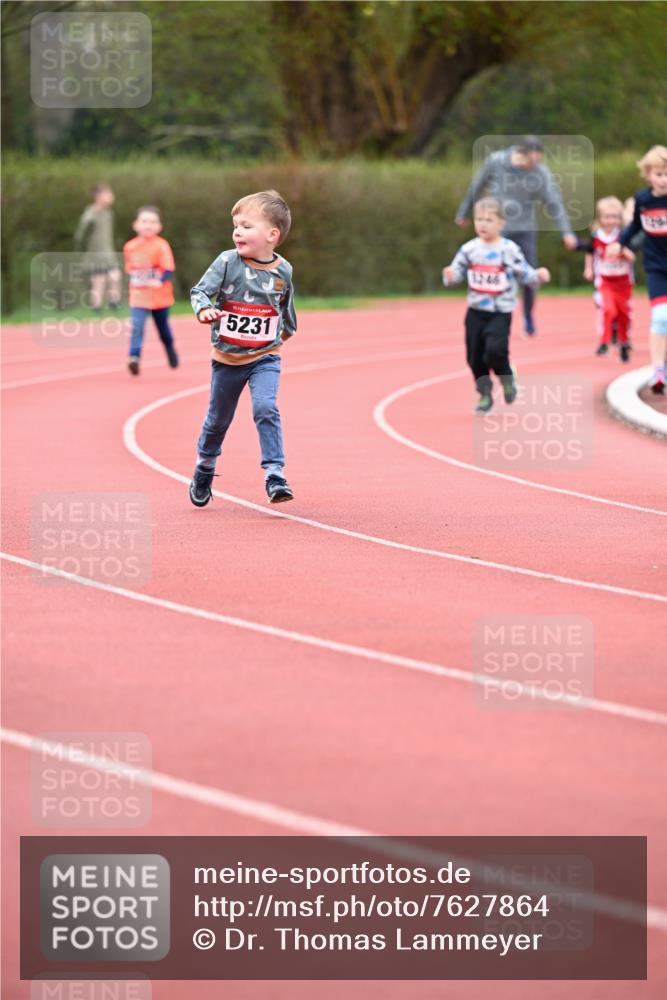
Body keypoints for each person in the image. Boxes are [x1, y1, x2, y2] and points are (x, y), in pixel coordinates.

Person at [188, 189, 297, 507]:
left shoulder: (283, 271)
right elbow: (199, 291)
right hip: (227, 358)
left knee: (265, 408)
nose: (237, 231)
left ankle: (275, 474)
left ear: (272, 235)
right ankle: (205, 467)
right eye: (235, 225)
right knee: (218, 419)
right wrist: (204, 310)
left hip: (265, 356)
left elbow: (286, 310)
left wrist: (282, 336)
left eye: (247, 226)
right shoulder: (226, 262)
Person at [455, 136, 576, 337]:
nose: (535, 165)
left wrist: (567, 233)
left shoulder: (539, 173)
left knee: (529, 275)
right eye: (532, 161)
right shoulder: (496, 161)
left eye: (538, 161)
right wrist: (464, 212)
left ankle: (528, 315)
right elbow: (477, 186)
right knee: (495, 271)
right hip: (498, 228)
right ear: (520, 154)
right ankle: (494, 315)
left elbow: (554, 203)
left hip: (525, 229)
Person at [443, 197, 550, 413]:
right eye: (479, 219)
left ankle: (507, 378)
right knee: (474, 357)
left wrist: (538, 276)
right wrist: (450, 276)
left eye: (489, 220)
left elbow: (524, 272)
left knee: (495, 351)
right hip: (475, 311)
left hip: (500, 312)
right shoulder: (469, 249)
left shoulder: (509, 249)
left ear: (501, 223)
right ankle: (484, 394)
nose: (482, 224)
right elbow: (456, 273)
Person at [608, 145, 667, 393]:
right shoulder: (643, 200)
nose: (664, 179)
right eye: (659, 174)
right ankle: (658, 370)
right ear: (648, 175)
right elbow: (634, 228)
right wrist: (619, 243)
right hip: (656, 268)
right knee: (661, 317)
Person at [575, 196, 634, 361]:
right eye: (607, 216)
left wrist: (623, 251)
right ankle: (604, 342)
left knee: (623, 314)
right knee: (608, 310)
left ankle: (623, 342)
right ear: (600, 218)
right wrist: (588, 269)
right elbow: (590, 252)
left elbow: (632, 256)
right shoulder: (596, 237)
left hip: (623, 282)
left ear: (620, 218)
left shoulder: (623, 236)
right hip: (605, 282)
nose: (611, 220)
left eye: (615, 216)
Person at [122, 206, 179, 376]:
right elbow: (130, 270)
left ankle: (169, 348)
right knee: (137, 327)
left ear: (159, 227)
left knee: (163, 330)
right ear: (135, 225)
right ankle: (134, 357)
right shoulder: (129, 247)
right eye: (144, 221)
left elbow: (168, 268)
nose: (148, 225)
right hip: (139, 296)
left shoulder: (161, 245)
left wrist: (158, 280)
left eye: (153, 222)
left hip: (160, 297)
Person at [74, 183, 121, 312]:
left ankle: (113, 302)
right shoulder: (91, 213)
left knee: (114, 275)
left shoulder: (108, 213)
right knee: (98, 280)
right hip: (95, 253)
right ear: (99, 196)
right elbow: (81, 234)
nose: (112, 196)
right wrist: (84, 251)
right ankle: (97, 307)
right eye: (108, 194)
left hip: (108, 252)